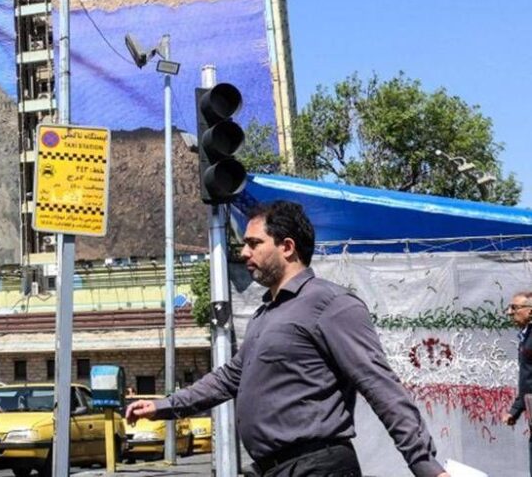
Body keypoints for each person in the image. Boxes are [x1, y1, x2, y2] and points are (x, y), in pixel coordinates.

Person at [125, 200, 448, 477]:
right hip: (274, 468)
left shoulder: (330, 304)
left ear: (287, 247)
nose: (244, 252)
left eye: (254, 243)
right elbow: (228, 379)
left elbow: (380, 385)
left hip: (318, 467)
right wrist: (164, 406)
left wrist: (425, 465)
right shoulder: (265, 314)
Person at [504, 290, 532, 474]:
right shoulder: (526, 336)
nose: (509, 312)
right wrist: (516, 410)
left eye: (515, 307)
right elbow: (527, 377)